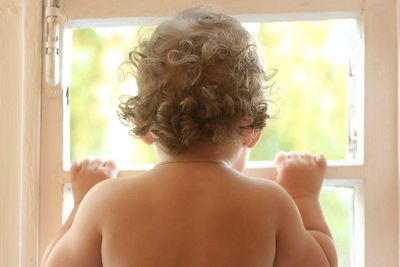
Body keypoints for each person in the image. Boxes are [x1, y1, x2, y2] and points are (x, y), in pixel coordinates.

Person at [41, 8, 337, 267]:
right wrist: (303, 194)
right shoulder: (272, 204)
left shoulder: (104, 203)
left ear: (144, 125)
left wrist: (81, 202)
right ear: (251, 129)